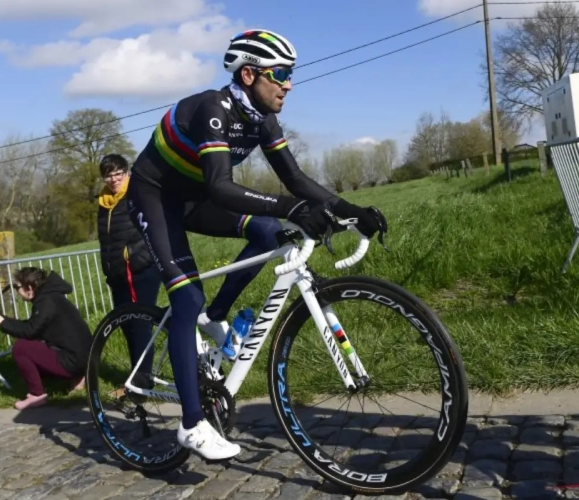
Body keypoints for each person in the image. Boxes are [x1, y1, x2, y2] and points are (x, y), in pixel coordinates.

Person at [126, 28, 387, 460]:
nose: (288, 84)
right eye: (280, 73)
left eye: (291, 74)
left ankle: (217, 316)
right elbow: (223, 187)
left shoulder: (262, 118)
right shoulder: (215, 109)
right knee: (186, 297)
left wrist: (353, 209)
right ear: (248, 75)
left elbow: (296, 178)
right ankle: (191, 424)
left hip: (195, 196)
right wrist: (290, 207)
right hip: (155, 195)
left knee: (267, 233)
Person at [0, 267, 93, 410]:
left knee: (21, 348)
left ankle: (37, 395)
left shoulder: (45, 302)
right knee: (34, 344)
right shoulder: (52, 296)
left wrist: (2, 323)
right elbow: (34, 327)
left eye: (18, 287)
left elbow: (30, 331)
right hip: (86, 358)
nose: (17, 290)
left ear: (29, 288)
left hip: (74, 360)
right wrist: (1, 319)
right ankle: (78, 377)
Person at [97, 153, 161, 391]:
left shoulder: (138, 193)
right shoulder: (104, 204)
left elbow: (153, 226)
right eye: (108, 175)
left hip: (140, 271)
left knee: (139, 324)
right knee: (125, 324)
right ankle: (137, 378)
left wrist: (138, 257)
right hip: (117, 274)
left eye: (118, 173)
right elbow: (107, 241)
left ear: (126, 173)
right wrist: (109, 267)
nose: (113, 179)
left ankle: (141, 383)